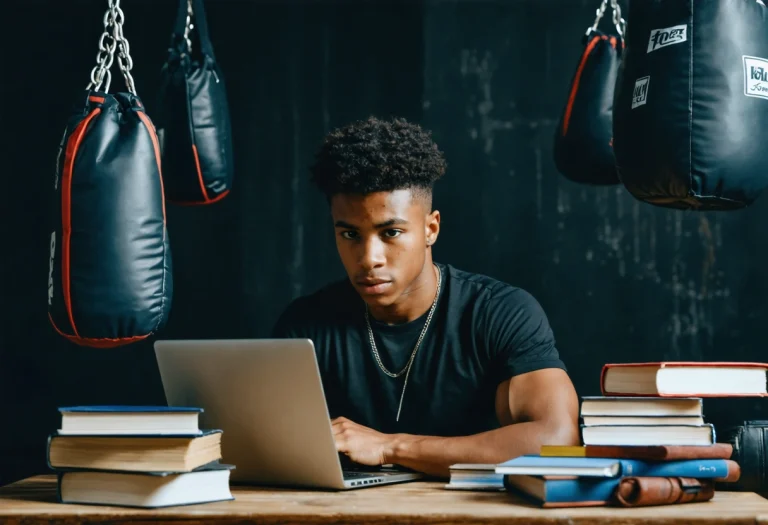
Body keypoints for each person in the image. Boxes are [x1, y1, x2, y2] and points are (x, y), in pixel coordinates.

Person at [271, 116, 580, 478]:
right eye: (351, 235)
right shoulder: (306, 325)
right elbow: (263, 443)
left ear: (430, 228)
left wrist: (390, 446)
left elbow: (557, 440)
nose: (369, 258)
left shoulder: (500, 313)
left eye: (391, 232)